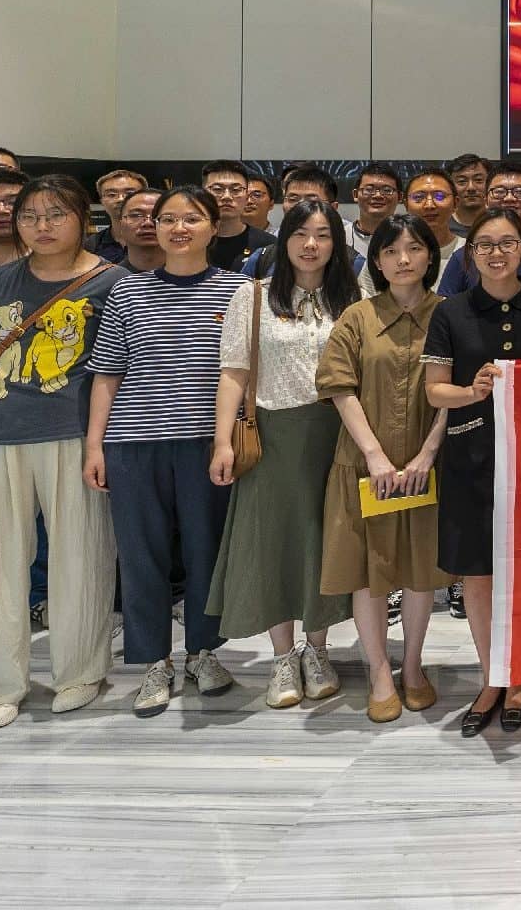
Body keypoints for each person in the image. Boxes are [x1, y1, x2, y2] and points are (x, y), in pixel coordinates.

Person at [0, 174, 124, 731]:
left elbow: (116, 370)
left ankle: (80, 672)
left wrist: (101, 442)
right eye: (30, 216)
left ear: (83, 220)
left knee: (82, 555)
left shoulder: (114, 282)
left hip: (72, 434)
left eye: (56, 214)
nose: (42, 226)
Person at [83, 185, 247, 718]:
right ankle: (153, 661)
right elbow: (107, 374)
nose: (179, 228)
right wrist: (95, 445)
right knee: (141, 556)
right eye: (168, 219)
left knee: (207, 552)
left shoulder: (240, 290)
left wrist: (228, 440)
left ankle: (203, 653)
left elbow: (244, 373)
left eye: (191, 218)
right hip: (134, 441)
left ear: (213, 226)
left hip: (207, 443)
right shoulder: (127, 291)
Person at [206, 197, 355, 712]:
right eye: (300, 234)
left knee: (324, 541)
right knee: (274, 544)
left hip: (337, 434)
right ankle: (282, 656)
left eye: (323, 235)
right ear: (283, 238)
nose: (311, 245)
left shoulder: (354, 299)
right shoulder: (253, 296)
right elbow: (234, 373)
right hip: (271, 434)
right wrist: (222, 441)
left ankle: (318, 649)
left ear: (337, 243)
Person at [423, 209, 521, 736]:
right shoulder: (450, 312)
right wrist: (471, 391)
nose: (496, 253)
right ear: (469, 253)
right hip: (471, 457)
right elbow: (435, 390)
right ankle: (492, 676)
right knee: (478, 573)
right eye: (484, 245)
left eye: (506, 243)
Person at [316, 214, 449, 724]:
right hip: (362, 466)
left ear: (430, 256)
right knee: (367, 573)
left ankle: (412, 666)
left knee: (420, 572)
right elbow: (338, 385)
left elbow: (456, 392)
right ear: (376, 261)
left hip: (425, 467)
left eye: (413, 248)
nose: (403, 259)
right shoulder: (357, 316)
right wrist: (373, 454)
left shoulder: (448, 314)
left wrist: (427, 453)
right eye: (390, 251)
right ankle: (378, 671)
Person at [439, 162, 521, 298]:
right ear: (486, 201)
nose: (509, 198)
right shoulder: (464, 257)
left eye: (520, 192)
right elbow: (447, 307)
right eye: (499, 192)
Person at [239, 166, 341, 278]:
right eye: (293, 199)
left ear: (333, 208)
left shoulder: (351, 261)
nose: (300, 206)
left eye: (311, 200)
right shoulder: (262, 258)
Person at [201, 161, 273, 271]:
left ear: (247, 196)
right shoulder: (190, 240)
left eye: (236, 190)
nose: (227, 196)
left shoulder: (268, 245)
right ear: (202, 194)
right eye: (217, 189)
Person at [87, 168, 148, 264]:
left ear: (145, 198)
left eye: (130, 193)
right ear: (102, 202)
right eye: (111, 194)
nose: (120, 199)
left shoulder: (161, 240)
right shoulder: (89, 246)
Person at [349, 163, 403, 260]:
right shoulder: (339, 237)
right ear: (355, 195)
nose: (378, 196)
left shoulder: (410, 238)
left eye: (387, 190)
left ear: (400, 197)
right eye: (369, 190)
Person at [115, 188, 167, 273]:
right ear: (121, 225)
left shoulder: (190, 276)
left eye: (157, 215)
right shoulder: (109, 278)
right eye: (136, 215)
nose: (148, 223)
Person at [447, 153, 491, 238]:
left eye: (478, 180)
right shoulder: (442, 226)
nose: (471, 188)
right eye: (462, 181)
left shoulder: (501, 223)